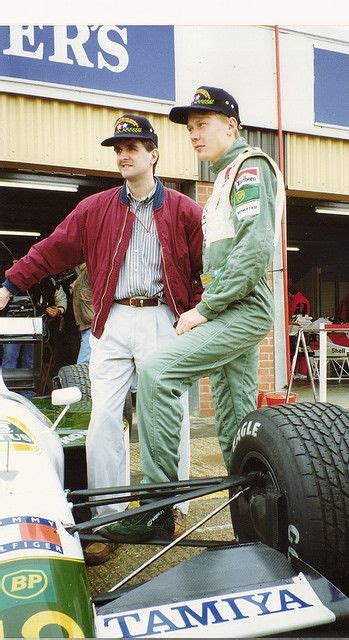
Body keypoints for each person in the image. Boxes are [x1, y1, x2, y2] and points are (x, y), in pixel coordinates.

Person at [0, 114, 203, 563]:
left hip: (164, 319)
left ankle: (173, 506)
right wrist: (10, 285)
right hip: (111, 323)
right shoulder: (95, 210)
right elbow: (52, 248)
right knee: (103, 421)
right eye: (118, 149)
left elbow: (207, 266)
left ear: (154, 153)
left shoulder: (186, 211)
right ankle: (108, 522)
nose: (124, 155)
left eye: (133, 147)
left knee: (167, 417)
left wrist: (197, 311)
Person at [98, 86, 285, 543]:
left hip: (241, 307)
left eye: (203, 124)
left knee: (160, 373)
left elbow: (256, 249)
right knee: (234, 421)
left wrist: (205, 308)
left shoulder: (248, 170)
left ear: (232, 126)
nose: (194, 135)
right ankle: (257, 524)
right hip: (229, 309)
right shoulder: (222, 181)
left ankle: (159, 508)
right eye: (190, 128)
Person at [71, 263, 94, 364]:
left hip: (92, 325)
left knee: (82, 364)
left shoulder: (91, 270)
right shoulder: (82, 274)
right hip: (87, 325)